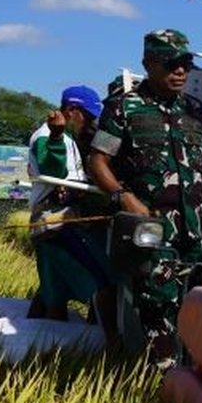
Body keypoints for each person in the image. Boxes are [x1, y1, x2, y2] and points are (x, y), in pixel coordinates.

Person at [88, 29, 202, 361]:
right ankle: (161, 387)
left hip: (193, 230)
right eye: (170, 64)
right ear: (148, 64)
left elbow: (200, 160)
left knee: (192, 307)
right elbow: (98, 161)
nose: (180, 71)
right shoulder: (125, 107)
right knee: (158, 308)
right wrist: (125, 198)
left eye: (185, 64)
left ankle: (180, 380)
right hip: (151, 228)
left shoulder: (195, 110)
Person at [26, 85, 118, 347]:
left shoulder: (69, 140)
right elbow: (51, 168)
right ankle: (111, 345)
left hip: (51, 225)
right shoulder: (49, 136)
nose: (89, 124)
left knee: (53, 291)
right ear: (71, 110)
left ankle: (48, 348)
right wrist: (55, 136)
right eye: (87, 117)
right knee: (104, 282)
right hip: (56, 224)